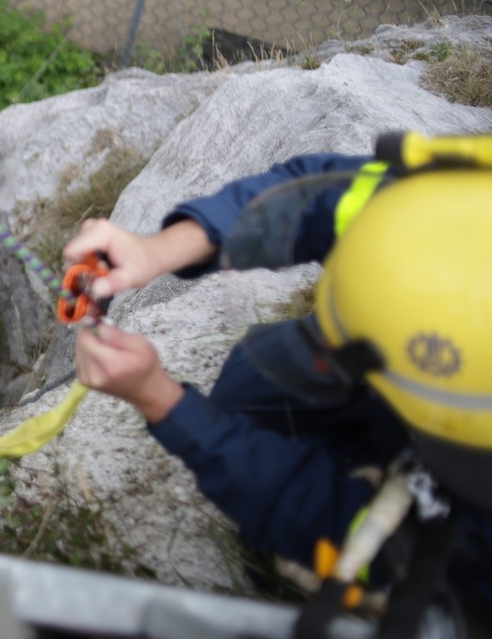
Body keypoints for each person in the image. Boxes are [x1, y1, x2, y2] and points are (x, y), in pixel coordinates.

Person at [62, 137, 491, 635]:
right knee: (252, 387)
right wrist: (158, 250)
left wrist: (164, 402)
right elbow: (315, 196)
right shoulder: (447, 204)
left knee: (404, 568)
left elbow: (317, 513)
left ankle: (361, 563)